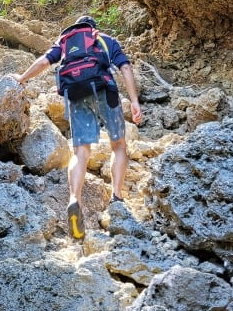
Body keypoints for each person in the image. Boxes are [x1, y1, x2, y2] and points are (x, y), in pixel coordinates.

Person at [13, 15, 143, 240]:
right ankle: (117, 197)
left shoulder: (65, 42)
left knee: (81, 151)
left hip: (75, 94)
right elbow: (125, 67)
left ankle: (75, 200)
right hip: (106, 91)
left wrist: (21, 78)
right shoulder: (104, 40)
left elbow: (44, 61)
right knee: (119, 145)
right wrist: (134, 100)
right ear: (94, 29)